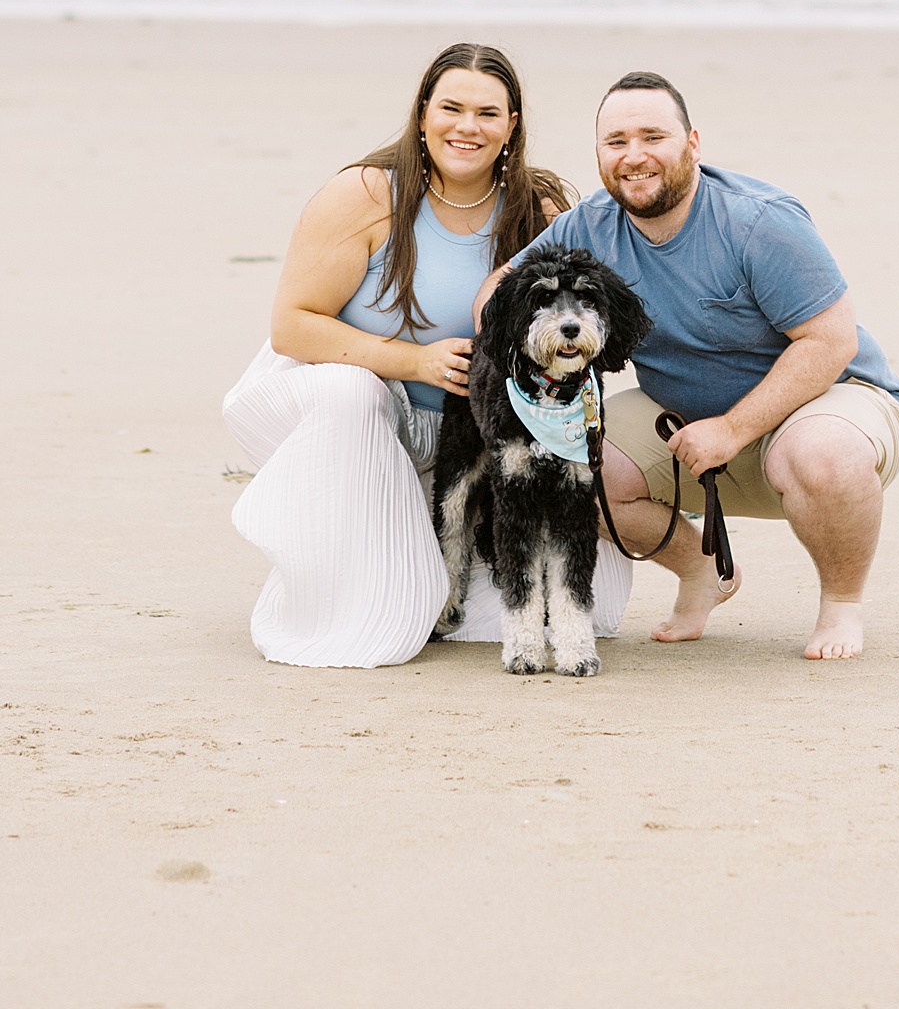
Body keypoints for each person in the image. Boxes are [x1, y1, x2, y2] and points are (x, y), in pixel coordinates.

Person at [222, 42, 633, 667]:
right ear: (422, 115)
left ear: (512, 126)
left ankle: (441, 550)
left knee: (588, 600)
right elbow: (291, 328)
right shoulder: (364, 193)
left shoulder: (538, 206)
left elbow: (585, 311)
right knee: (352, 393)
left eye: (489, 114)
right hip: (350, 413)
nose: (468, 127)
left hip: (473, 422)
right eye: (452, 108)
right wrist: (413, 363)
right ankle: (340, 596)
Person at [481, 70, 899, 661]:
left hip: (828, 401)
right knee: (577, 461)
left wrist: (733, 429)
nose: (635, 156)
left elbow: (829, 342)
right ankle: (704, 570)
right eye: (616, 142)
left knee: (821, 455)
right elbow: (497, 295)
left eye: (653, 136)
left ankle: (841, 603)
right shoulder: (591, 224)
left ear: (693, 143)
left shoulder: (758, 222)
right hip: (683, 417)